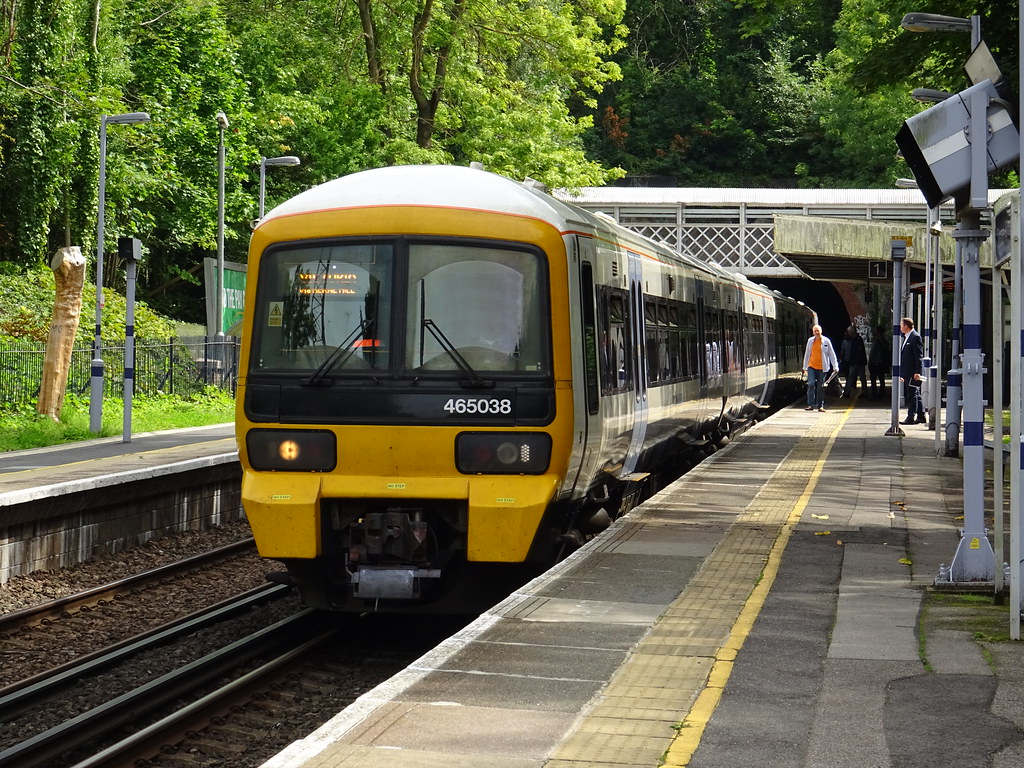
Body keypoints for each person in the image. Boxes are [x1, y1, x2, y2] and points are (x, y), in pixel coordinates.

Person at [802, 324, 840, 412]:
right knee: (811, 384)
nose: (816, 332)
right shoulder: (810, 341)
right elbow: (807, 354)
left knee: (820, 387)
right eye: (814, 331)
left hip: (822, 368)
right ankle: (810, 404)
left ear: (821, 331)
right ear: (813, 332)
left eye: (817, 331)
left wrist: (835, 366)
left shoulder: (826, 341)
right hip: (811, 366)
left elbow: (832, 354)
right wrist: (805, 367)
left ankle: (820, 406)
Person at [899, 317, 925, 424]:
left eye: (901, 325)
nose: (900, 327)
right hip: (907, 372)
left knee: (912, 395)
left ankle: (910, 417)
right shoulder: (907, 337)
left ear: (906, 326)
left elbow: (918, 356)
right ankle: (921, 415)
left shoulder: (915, 337)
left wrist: (918, 372)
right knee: (916, 394)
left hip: (912, 372)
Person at [840, 326, 867, 398]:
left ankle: (847, 392)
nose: (848, 333)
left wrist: (855, 362)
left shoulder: (857, 340)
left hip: (857, 362)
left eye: (849, 332)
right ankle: (864, 392)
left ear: (852, 332)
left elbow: (859, 352)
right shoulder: (856, 339)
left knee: (852, 377)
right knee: (860, 377)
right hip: (857, 362)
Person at [868, 325, 889, 399]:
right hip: (882, 363)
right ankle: (881, 394)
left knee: (873, 380)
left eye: (876, 331)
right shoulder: (885, 341)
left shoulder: (876, 341)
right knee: (881, 380)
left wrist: (870, 361)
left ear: (878, 332)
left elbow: (872, 352)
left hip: (875, 363)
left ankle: (874, 395)